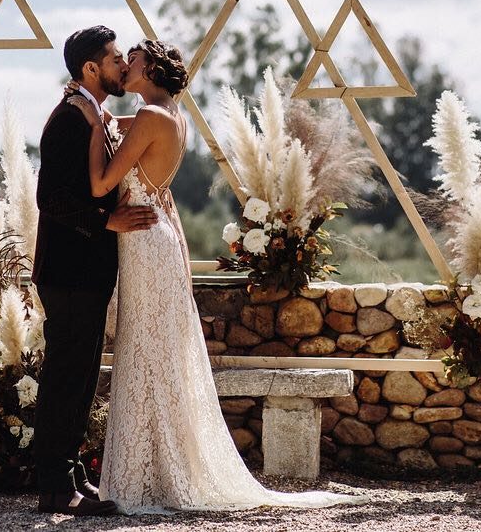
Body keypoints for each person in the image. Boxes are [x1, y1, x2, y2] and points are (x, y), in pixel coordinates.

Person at [66, 39, 363, 513]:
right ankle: (161, 468)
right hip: (153, 236)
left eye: (134, 60)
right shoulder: (167, 116)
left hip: (142, 240)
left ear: (153, 70)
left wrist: (86, 139)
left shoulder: (149, 118)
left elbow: (102, 182)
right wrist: (91, 113)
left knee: (145, 351)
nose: (126, 66)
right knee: (153, 351)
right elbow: (116, 134)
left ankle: (150, 475)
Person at [31, 25, 157, 517]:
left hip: (86, 270)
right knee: (66, 375)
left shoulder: (91, 111)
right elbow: (51, 199)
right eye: (112, 59)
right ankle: (55, 489)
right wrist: (109, 220)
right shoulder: (67, 118)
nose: (122, 66)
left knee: (82, 375)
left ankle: (73, 475)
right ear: (91, 69)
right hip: (67, 271)